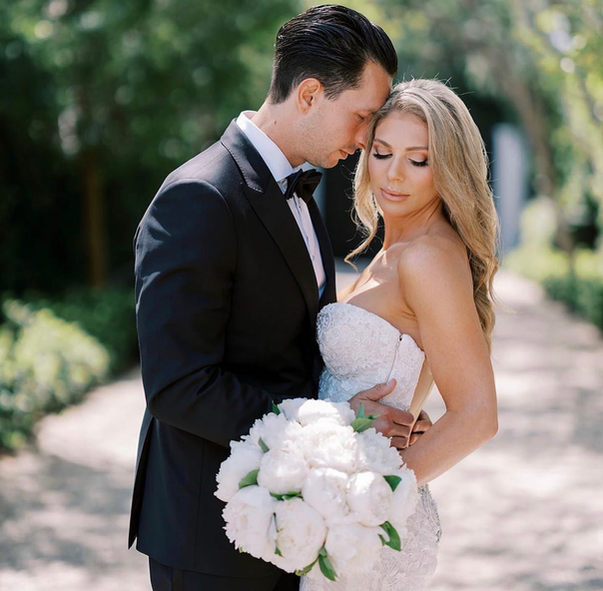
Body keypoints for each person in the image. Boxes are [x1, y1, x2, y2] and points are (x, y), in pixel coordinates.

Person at [128, 6, 432, 591]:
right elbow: (177, 384)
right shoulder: (198, 197)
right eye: (363, 117)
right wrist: (334, 426)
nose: (368, 140)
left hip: (296, 529)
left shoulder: (300, 193)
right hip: (210, 534)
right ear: (311, 93)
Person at [300, 79, 500, 590]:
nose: (393, 174)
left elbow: (477, 416)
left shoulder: (428, 257)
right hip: (336, 506)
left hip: (364, 522)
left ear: (448, 168)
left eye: (419, 160)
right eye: (383, 152)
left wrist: (371, 497)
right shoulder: (394, 251)